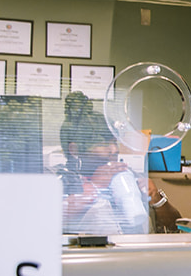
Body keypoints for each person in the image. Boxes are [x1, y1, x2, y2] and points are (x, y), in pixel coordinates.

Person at [60, 91, 182, 235]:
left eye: (115, 142)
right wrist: (95, 186)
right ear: (74, 149)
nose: (114, 150)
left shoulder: (127, 175)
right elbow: (44, 223)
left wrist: (156, 199)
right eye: (104, 144)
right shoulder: (62, 179)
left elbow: (175, 227)